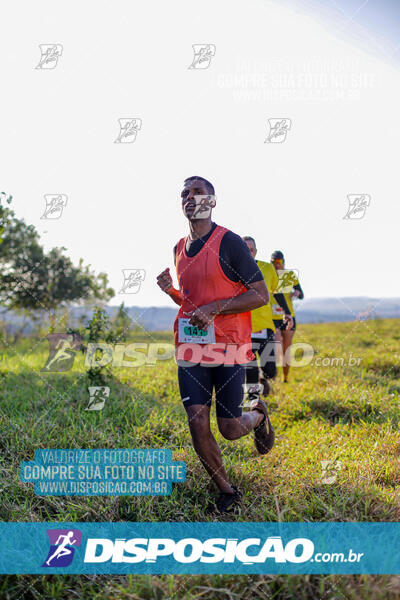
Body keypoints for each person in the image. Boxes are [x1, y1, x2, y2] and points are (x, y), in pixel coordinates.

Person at [157, 176, 274, 514]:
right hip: (191, 349)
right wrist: (171, 292)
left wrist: (215, 309)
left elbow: (260, 295)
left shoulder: (230, 242)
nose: (189, 197)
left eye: (197, 191)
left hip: (229, 348)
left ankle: (257, 414)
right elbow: (194, 304)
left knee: (230, 428)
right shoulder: (178, 248)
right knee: (196, 420)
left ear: (212, 200)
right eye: (184, 193)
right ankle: (226, 490)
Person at [242, 237, 293, 396]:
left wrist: (287, 312)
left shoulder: (267, 269)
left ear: (255, 251)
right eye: (245, 249)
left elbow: (277, 293)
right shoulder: (233, 270)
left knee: (270, 370)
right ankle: (253, 402)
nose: (248, 252)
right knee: (249, 370)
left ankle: (263, 378)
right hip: (243, 329)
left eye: (251, 249)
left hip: (265, 326)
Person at [270, 250, 304, 383]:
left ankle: (285, 378)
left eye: (278, 262)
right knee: (275, 345)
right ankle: (272, 373)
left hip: (289, 316)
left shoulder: (290, 275)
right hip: (272, 316)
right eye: (273, 262)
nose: (276, 265)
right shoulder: (268, 273)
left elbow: (301, 294)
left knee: (286, 350)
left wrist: (296, 292)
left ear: (283, 262)